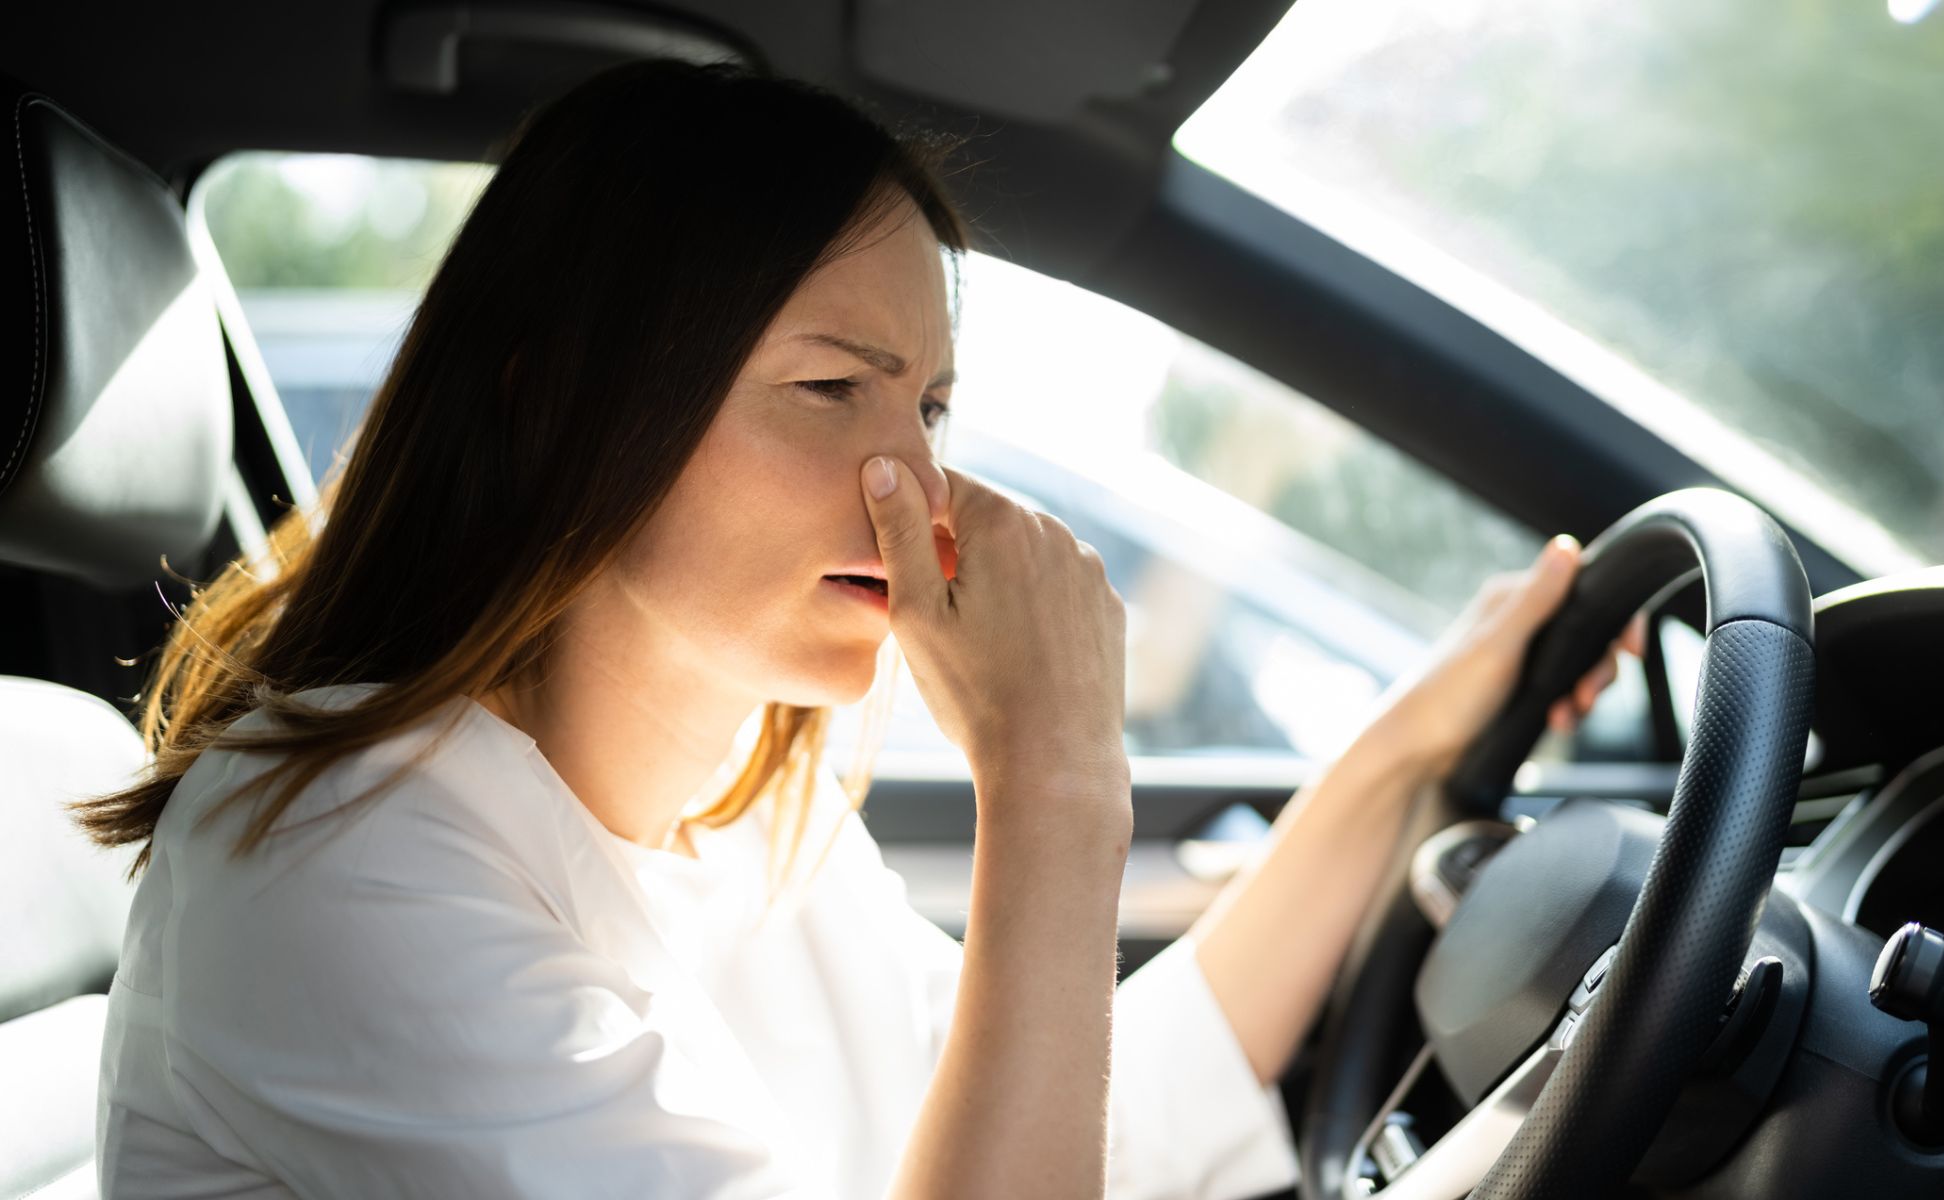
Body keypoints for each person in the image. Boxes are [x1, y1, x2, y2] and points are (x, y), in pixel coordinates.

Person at [77, 58, 1638, 1199]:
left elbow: (1106, 1120)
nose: (918, 483)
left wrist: (1410, 742)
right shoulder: (338, 850)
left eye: (933, 404)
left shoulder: (752, 823)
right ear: (558, 409)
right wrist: (1052, 780)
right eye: (833, 389)